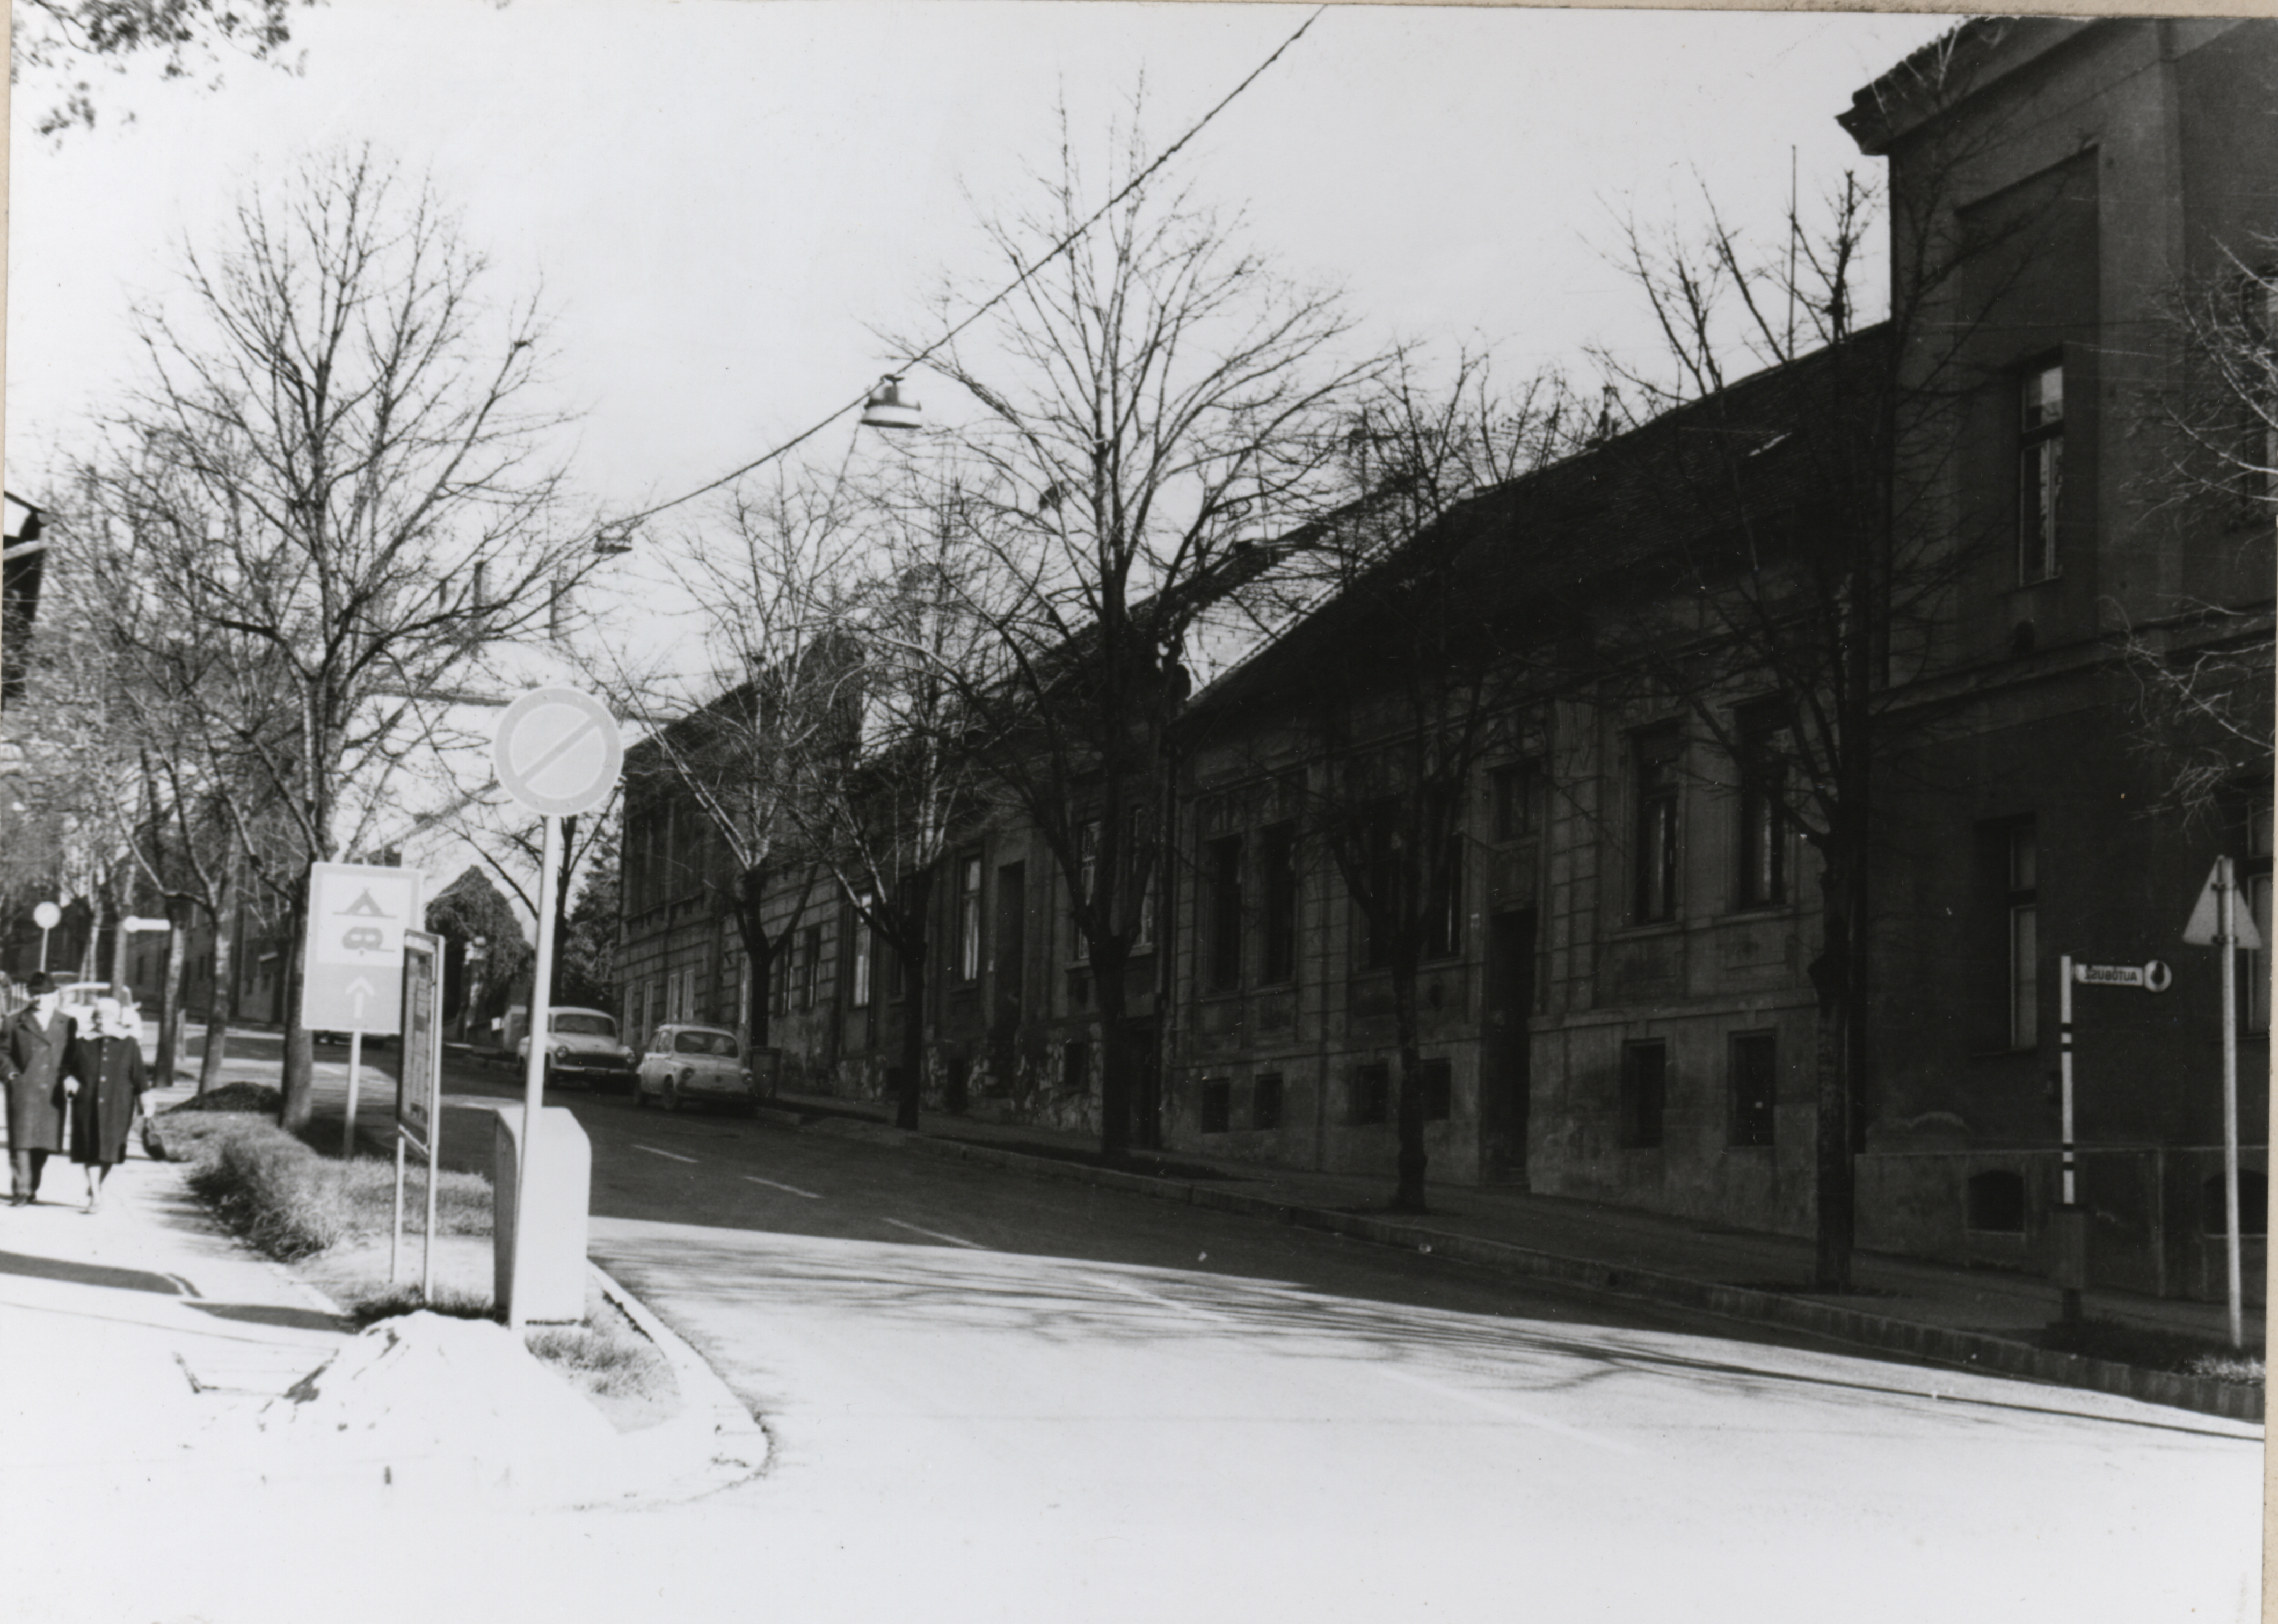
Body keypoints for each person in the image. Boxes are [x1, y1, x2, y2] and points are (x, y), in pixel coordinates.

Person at [66, 996, 148, 1215]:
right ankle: (96, 1195)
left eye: (108, 1016)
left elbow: (139, 1076)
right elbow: (68, 1070)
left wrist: (146, 1104)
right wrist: (70, 1083)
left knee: (110, 1152)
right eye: (99, 1016)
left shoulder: (129, 1044)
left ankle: (96, 1185)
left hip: (119, 1106)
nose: (103, 1020)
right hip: (87, 1104)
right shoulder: (83, 1042)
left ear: (118, 1019)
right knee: (91, 1150)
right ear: (94, 1018)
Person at [4, 973, 77, 1206]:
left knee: (44, 1143)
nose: (40, 998)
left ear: (54, 995)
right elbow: (2, 1052)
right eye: (35, 993)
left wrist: (69, 1077)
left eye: (45, 993)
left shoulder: (67, 1022)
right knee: (21, 1141)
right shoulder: (14, 1021)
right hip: (24, 1089)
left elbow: (74, 1055)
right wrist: (11, 1074)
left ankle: (32, 1185)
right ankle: (22, 1190)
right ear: (29, 995)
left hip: (53, 1090)